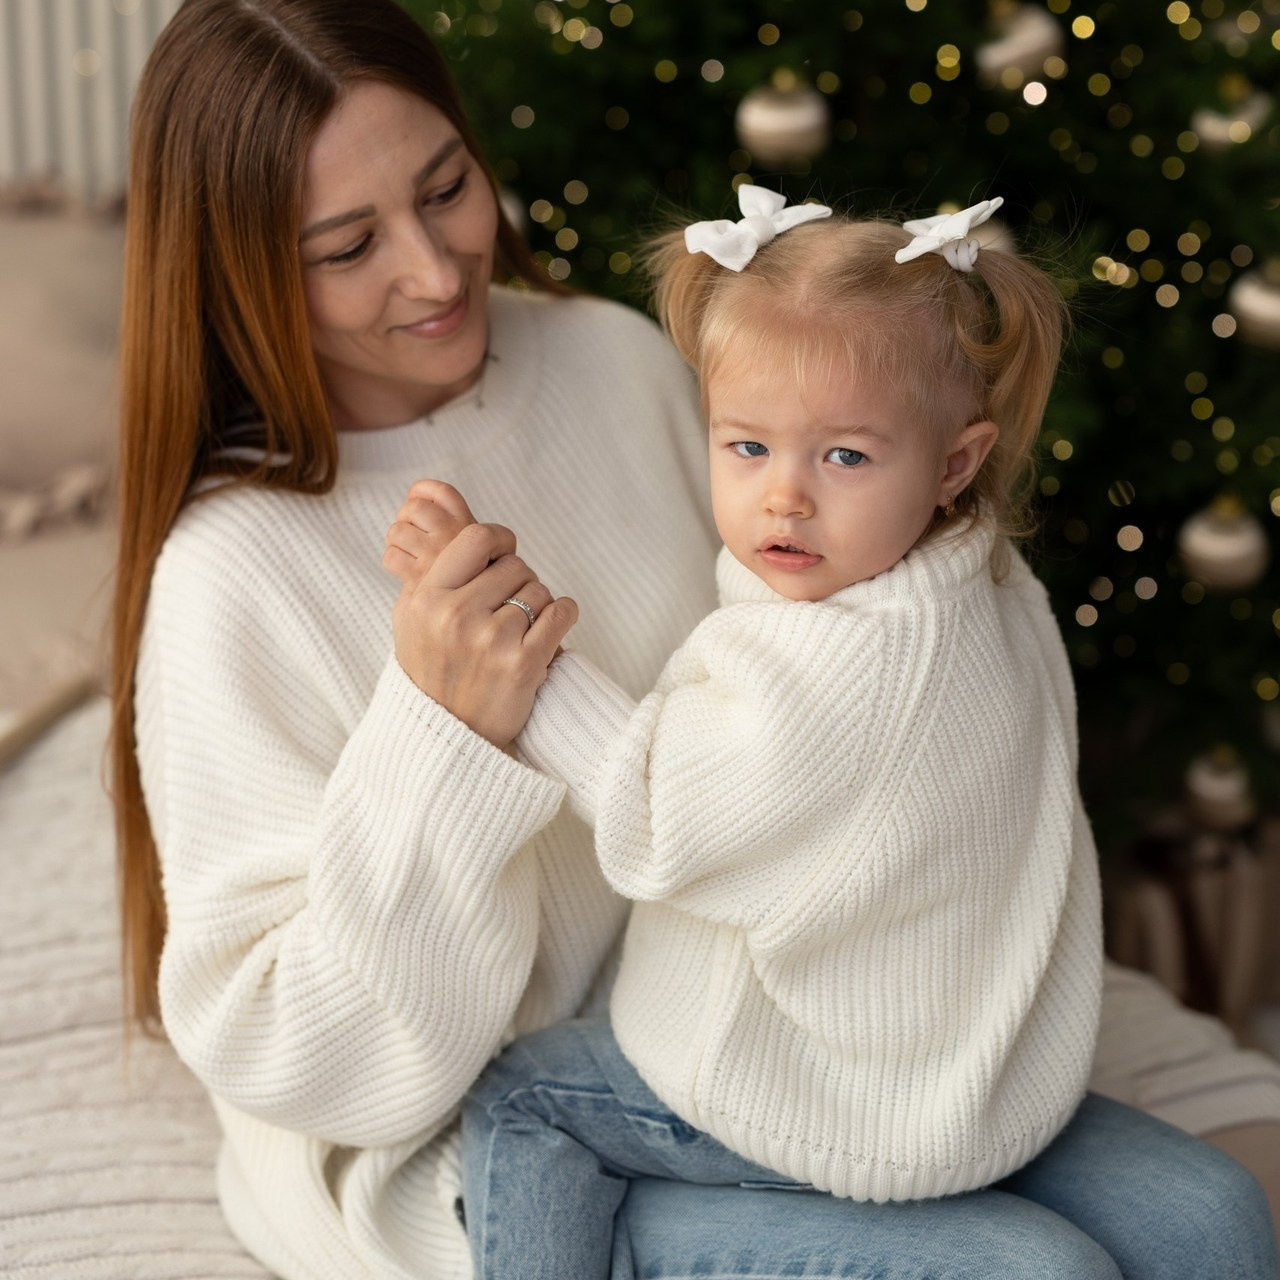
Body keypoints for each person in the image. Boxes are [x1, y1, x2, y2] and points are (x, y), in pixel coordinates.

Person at [109, 2, 1276, 1278]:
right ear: (240, 268)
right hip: (473, 1139)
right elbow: (297, 1054)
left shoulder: (616, 360)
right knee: (1031, 1270)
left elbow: (835, 680)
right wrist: (441, 735)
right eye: (345, 247)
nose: (437, 272)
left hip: (765, 1032)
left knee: (1211, 1218)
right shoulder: (233, 568)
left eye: (446, 188)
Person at [385, 190, 1280, 1280]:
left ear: (953, 462)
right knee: (1214, 1216)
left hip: (827, 1092)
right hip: (975, 1073)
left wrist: (508, 625)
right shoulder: (987, 578)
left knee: (521, 1094)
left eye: (843, 457)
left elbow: (652, 807)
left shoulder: (833, 659)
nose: (783, 500)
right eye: (747, 445)